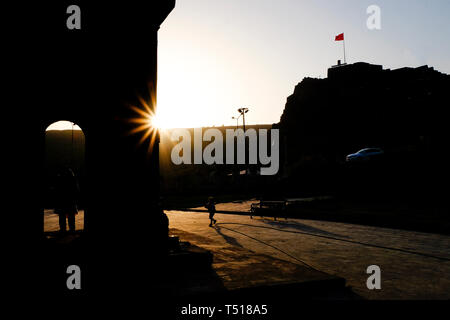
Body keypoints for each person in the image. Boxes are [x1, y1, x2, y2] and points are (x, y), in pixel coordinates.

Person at [54, 167, 79, 233]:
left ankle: (63, 229)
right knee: (71, 216)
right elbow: (76, 190)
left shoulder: (60, 179)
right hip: (70, 200)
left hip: (63, 200)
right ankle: (72, 229)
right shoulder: (73, 179)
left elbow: (57, 190)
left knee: (62, 215)